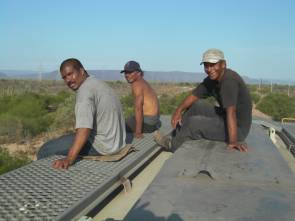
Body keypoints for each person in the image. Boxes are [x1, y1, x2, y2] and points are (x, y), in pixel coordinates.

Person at [154, 49, 252, 152]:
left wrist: (233, 141)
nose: (209, 69)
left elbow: (231, 112)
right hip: (225, 118)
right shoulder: (212, 79)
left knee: (194, 123)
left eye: (213, 65)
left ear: (223, 64)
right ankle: (176, 135)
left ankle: (171, 144)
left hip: (237, 129)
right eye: (206, 65)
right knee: (197, 105)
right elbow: (194, 96)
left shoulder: (229, 81)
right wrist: (178, 111)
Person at [37, 58, 126, 169]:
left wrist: (69, 159)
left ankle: (51, 182)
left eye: (70, 74)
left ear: (82, 71)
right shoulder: (98, 83)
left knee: (45, 150)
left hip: (103, 147)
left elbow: (84, 129)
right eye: (64, 77)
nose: (68, 80)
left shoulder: (84, 92)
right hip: (117, 142)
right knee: (63, 140)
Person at [121, 61, 161, 139]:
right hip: (154, 122)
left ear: (138, 73)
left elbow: (138, 108)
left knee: (117, 124)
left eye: (130, 72)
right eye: (125, 72)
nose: (127, 75)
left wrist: (138, 132)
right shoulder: (143, 82)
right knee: (127, 119)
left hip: (148, 123)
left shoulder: (137, 84)